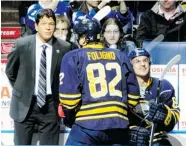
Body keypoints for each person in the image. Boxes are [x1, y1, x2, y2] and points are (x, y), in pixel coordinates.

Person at [59, 17, 140, 145]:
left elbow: (69, 100)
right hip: (119, 125)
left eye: (79, 36)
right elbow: (134, 98)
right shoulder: (121, 56)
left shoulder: (73, 56)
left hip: (87, 127)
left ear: (85, 38)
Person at [5, 9, 71, 145]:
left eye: (51, 23)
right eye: (44, 23)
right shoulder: (21, 44)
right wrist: (23, 89)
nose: (48, 27)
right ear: (36, 26)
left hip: (51, 106)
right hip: (23, 105)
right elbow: (10, 72)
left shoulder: (65, 47)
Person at [128, 48, 180, 146]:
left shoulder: (164, 86)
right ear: (131, 66)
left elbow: (174, 117)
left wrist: (165, 114)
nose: (142, 64)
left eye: (145, 60)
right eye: (137, 61)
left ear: (150, 63)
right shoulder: (124, 89)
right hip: (131, 141)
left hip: (157, 141)